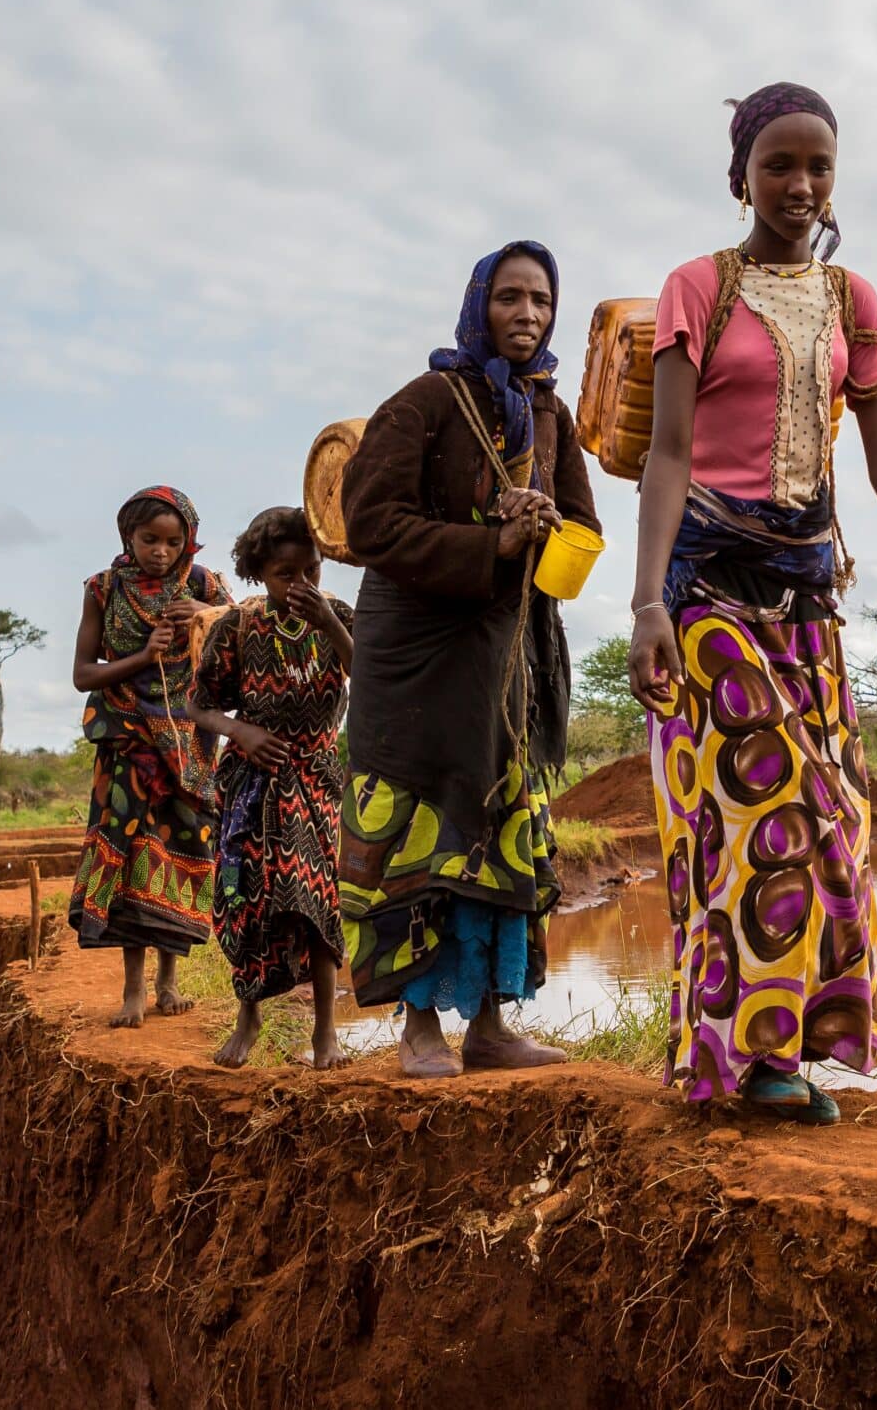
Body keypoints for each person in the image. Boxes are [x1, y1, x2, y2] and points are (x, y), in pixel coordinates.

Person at [626, 83, 877, 1125]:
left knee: (837, 818)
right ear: (738, 176)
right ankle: (755, 1061)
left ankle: (795, 1042)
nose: (800, 187)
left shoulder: (855, 303)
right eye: (778, 167)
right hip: (705, 587)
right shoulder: (694, 289)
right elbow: (666, 456)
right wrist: (645, 604)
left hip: (806, 595)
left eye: (818, 169)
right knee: (766, 812)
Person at [338, 242, 600, 1079]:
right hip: (416, 654)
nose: (528, 314)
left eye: (542, 301)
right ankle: (419, 1028)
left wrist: (544, 522)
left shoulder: (550, 413)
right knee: (421, 828)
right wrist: (492, 541)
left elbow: (582, 529)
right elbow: (370, 525)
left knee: (501, 823)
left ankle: (489, 1026)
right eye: (511, 298)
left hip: (502, 649)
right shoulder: (424, 402)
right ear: (479, 304)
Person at [191, 506, 354, 1070]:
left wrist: (330, 623)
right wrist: (243, 731)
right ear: (260, 573)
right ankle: (250, 1016)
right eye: (288, 575)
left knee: (317, 897)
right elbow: (200, 704)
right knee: (249, 901)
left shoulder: (341, 618)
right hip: (253, 782)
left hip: (316, 776)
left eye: (313, 570)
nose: (303, 585)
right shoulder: (237, 627)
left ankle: (325, 1034)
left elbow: (372, 674)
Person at [70, 485, 232, 1028]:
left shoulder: (207, 585)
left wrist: (208, 616)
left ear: (188, 540)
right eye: (148, 540)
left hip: (189, 746)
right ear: (127, 537)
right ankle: (133, 988)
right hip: (126, 743)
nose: (160, 551)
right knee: (128, 851)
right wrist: (143, 655)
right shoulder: (103, 589)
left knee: (179, 849)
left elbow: (244, 640)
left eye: (172, 540)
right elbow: (82, 675)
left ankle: (169, 982)